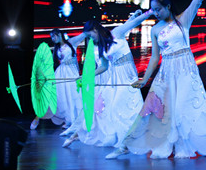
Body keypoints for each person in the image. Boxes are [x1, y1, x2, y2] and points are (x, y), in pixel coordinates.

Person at [105, 0, 206, 159]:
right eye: (153, 10)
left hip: (186, 71)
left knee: (183, 109)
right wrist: (144, 79)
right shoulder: (155, 30)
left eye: (158, 9)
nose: (156, 13)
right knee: (156, 111)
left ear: (168, 7)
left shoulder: (182, 21)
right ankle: (126, 146)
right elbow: (155, 58)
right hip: (166, 72)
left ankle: (182, 146)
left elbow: (197, 0)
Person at [62, 9, 155, 148]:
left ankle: (128, 138)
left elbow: (134, 22)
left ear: (95, 29)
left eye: (90, 35)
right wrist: (86, 76)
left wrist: (150, 11)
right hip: (114, 77)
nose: (91, 39)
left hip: (127, 76)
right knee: (101, 105)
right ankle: (80, 135)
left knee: (122, 106)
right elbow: (104, 67)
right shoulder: (100, 46)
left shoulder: (116, 33)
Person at [30, 28, 86, 130]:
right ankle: (38, 117)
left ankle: (71, 120)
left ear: (59, 34)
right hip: (61, 73)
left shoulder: (71, 43)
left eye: (53, 36)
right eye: (51, 37)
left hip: (71, 73)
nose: (53, 38)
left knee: (72, 96)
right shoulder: (56, 49)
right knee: (57, 96)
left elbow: (83, 35)